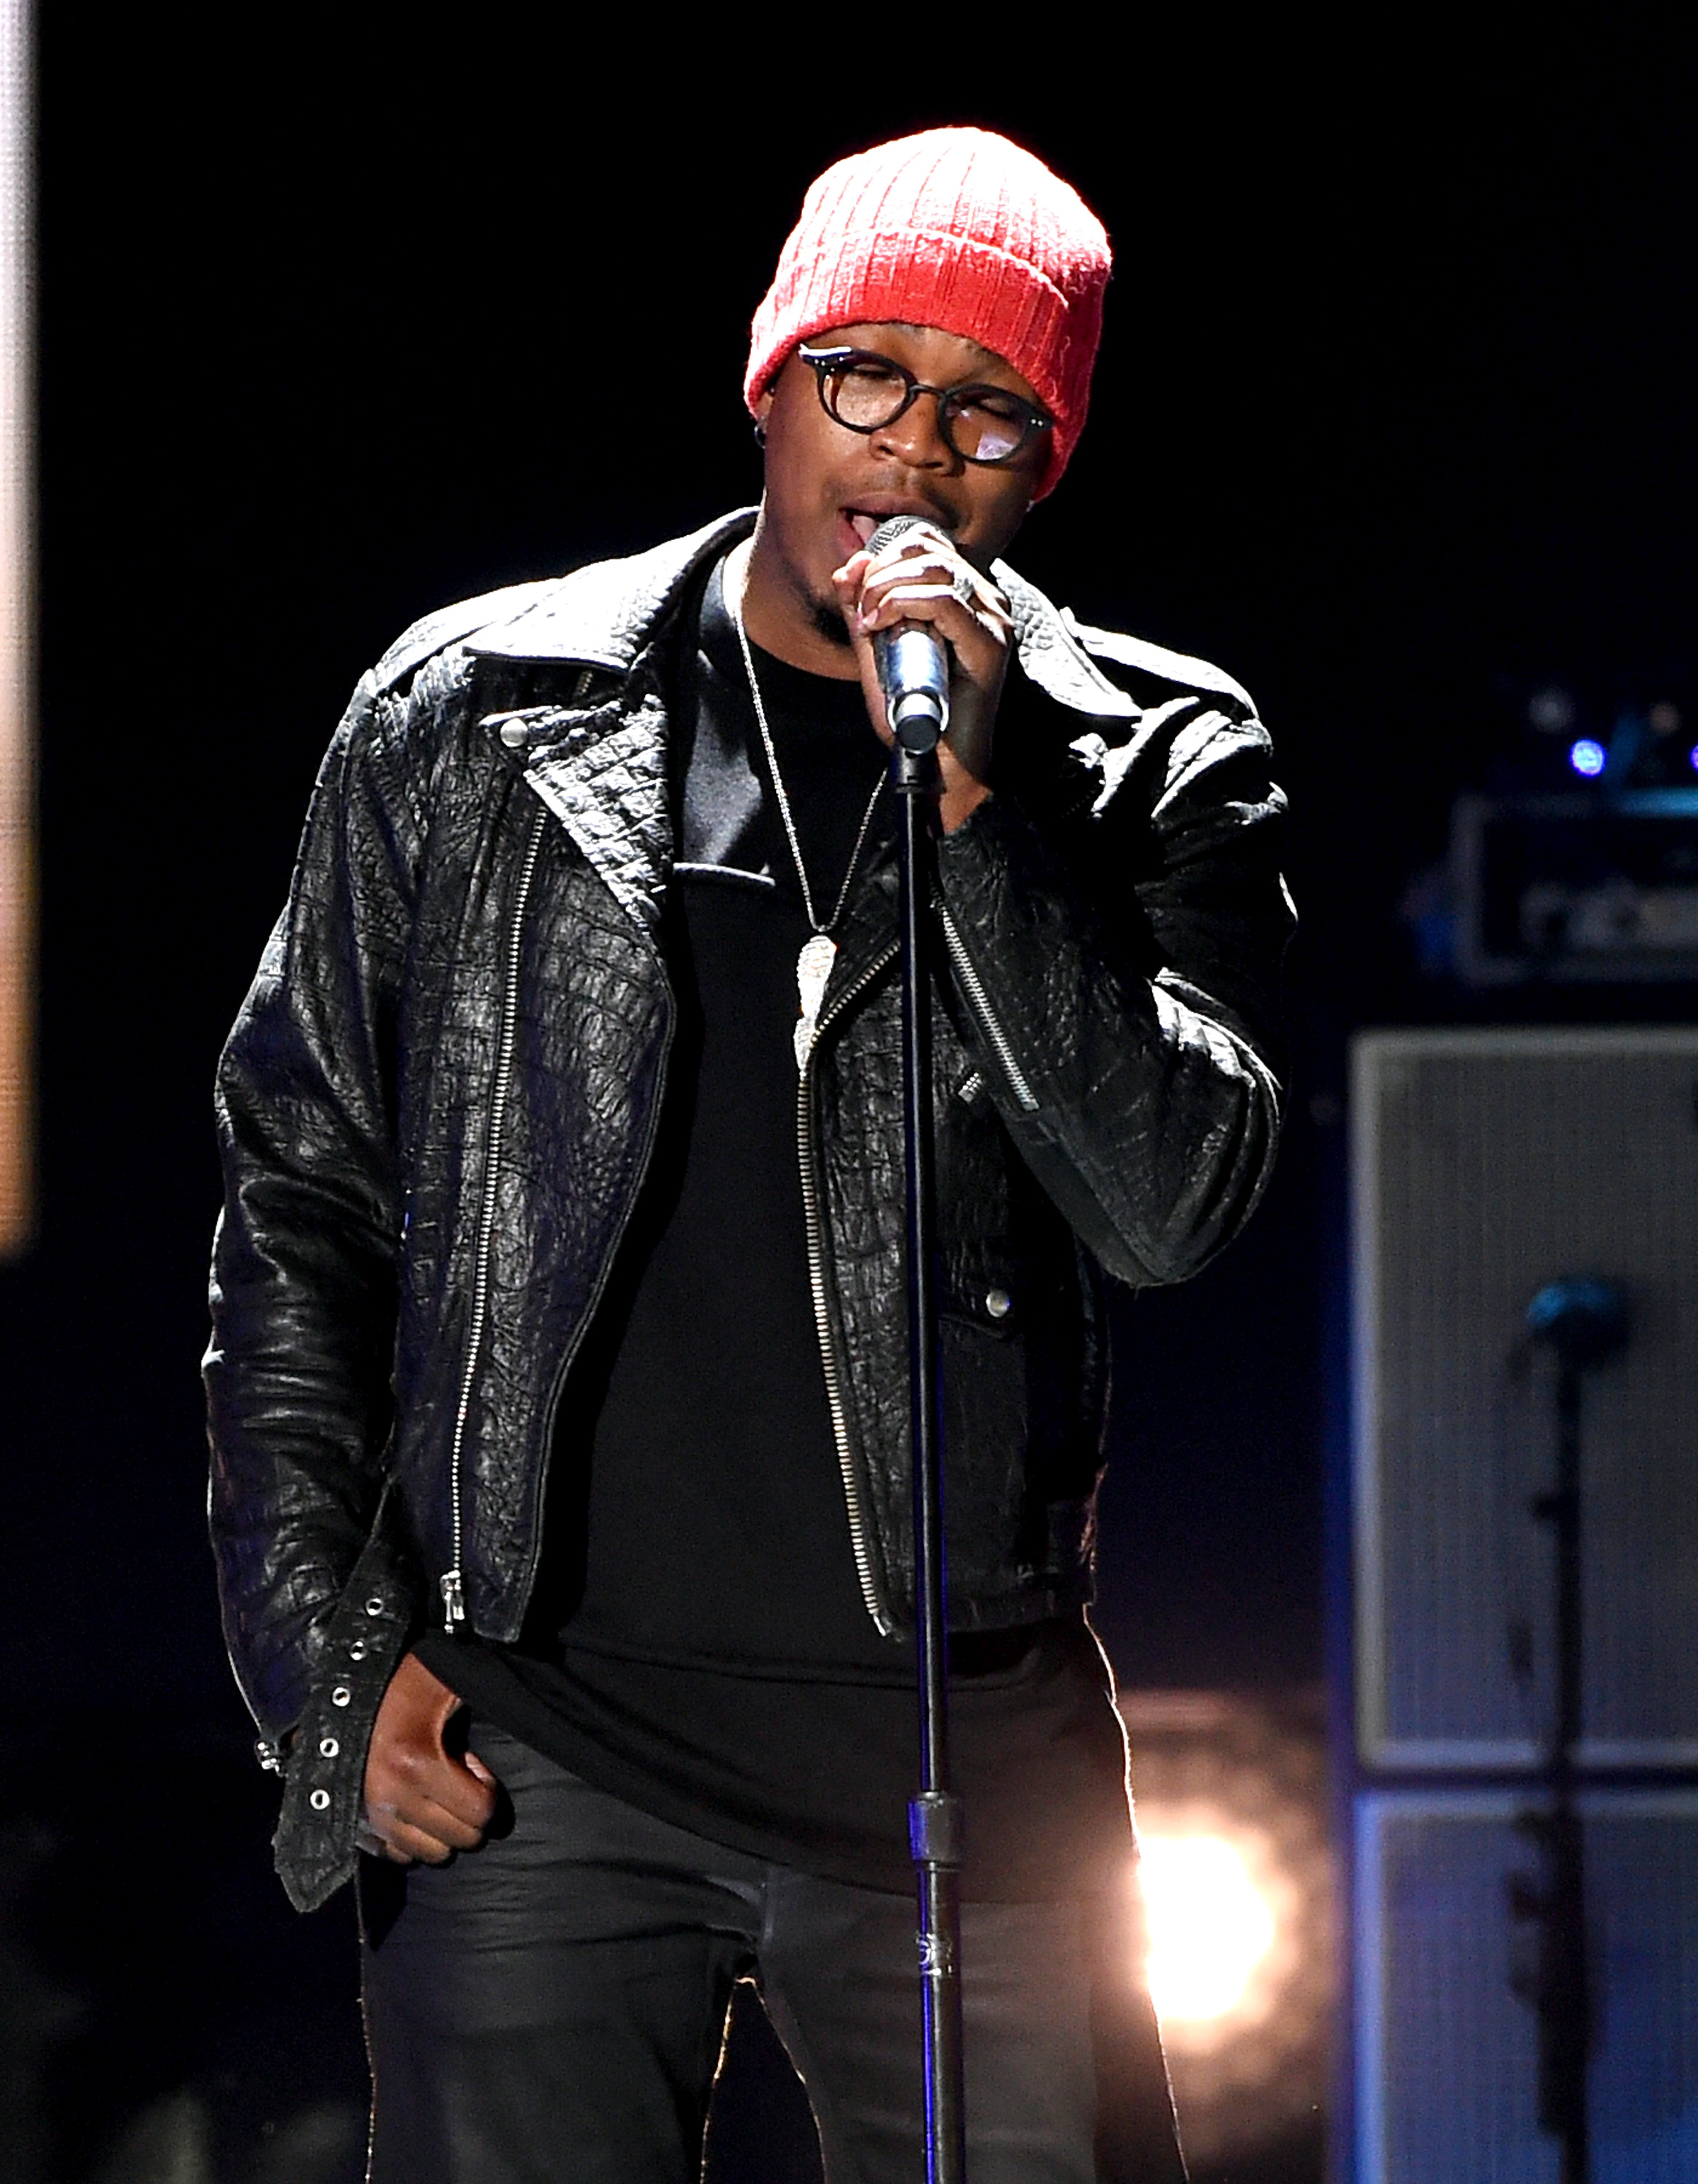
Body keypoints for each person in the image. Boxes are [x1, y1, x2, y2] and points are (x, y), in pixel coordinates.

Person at [205, 126, 1291, 2183]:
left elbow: (1169, 1206)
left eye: (990, 410)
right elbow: (300, 1190)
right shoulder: (475, 714)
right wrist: (325, 1664)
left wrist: (977, 820)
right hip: (546, 1760)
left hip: (962, 1764)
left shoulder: (1152, 758)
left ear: (1041, 468)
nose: (915, 453)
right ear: (771, 382)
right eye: (868, 378)